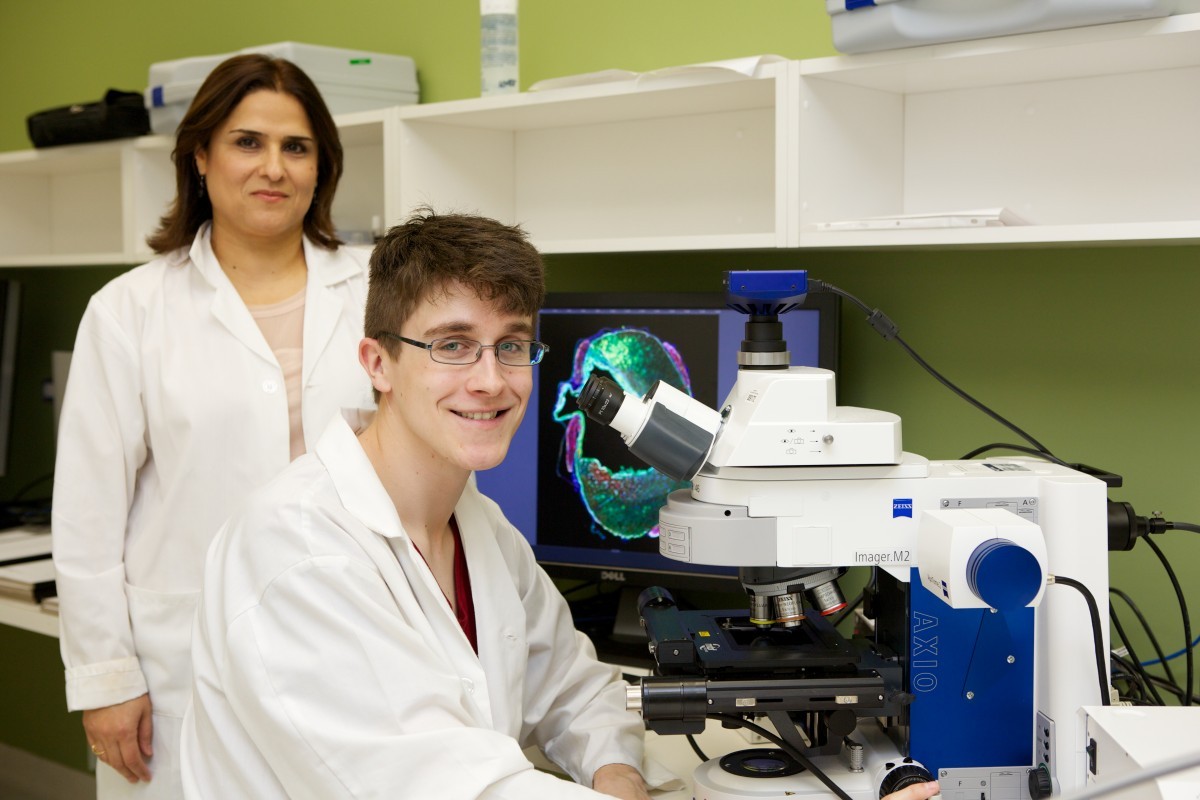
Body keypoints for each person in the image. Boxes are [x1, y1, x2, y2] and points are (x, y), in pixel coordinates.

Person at [51, 53, 375, 799]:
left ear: (321, 166)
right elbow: (87, 515)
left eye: (297, 147)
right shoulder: (130, 310)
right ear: (200, 156)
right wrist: (104, 679)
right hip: (186, 660)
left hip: (348, 641)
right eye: (247, 142)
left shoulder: (376, 291)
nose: (274, 167)